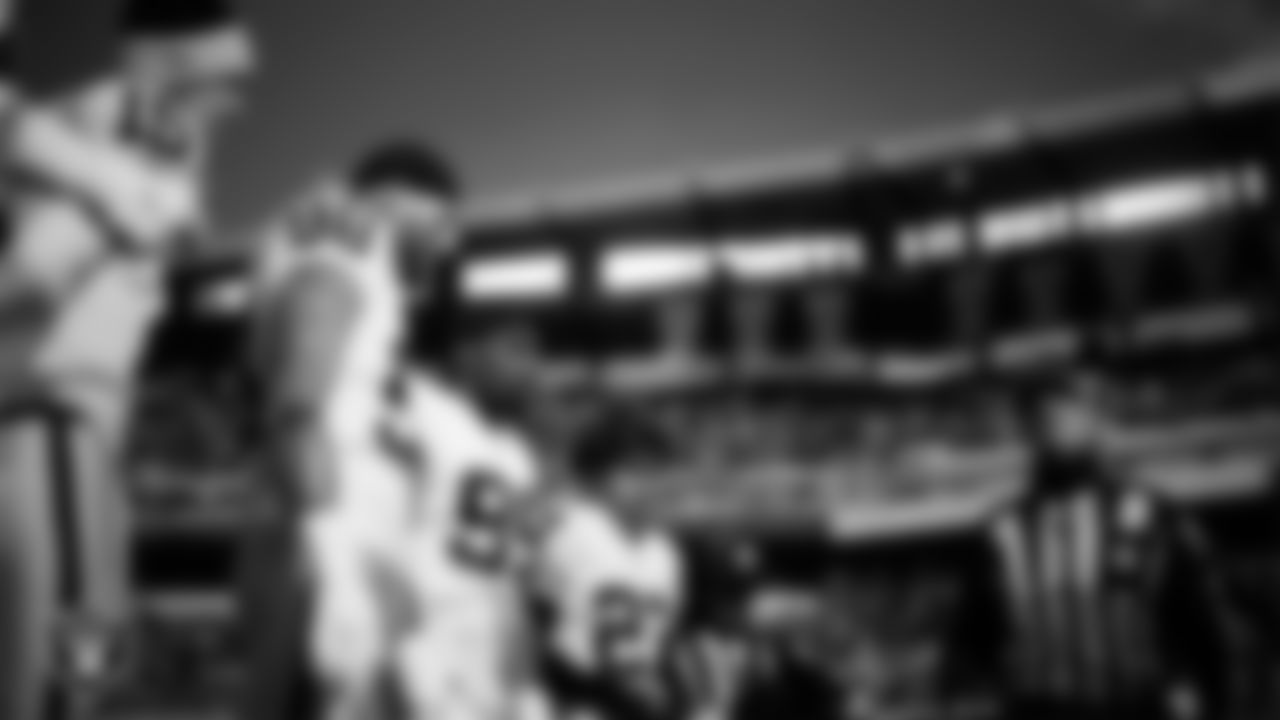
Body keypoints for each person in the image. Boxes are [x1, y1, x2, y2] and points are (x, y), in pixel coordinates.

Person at [0, 1, 254, 718]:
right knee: (71, 684)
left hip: (64, 430)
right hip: (52, 423)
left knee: (86, 668)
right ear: (169, 63)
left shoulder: (80, 129)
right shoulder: (134, 119)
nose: (237, 101)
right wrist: (131, 199)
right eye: (227, 78)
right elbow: (38, 266)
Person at [950, 372, 1246, 720]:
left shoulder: (1152, 517)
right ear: (1029, 429)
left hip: (1134, 708)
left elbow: (1204, 628)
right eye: (1043, 415)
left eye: (1071, 410)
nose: (1057, 423)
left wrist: (1214, 701)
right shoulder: (1001, 531)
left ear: (1098, 421)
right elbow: (973, 639)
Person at [530, 406, 692, 720]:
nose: (648, 484)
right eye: (633, 471)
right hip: (569, 700)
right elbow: (532, 627)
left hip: (631, 701)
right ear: (594, 480)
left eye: (655, 471)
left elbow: (657, 649)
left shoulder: (664, 552)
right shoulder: (569, 530)